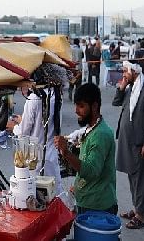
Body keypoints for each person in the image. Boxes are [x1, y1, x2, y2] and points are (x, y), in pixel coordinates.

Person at [54, 83, 117, 216]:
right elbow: (86, 161)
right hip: (87, 200)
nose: (76, 110)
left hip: (97, 207)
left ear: (94, 106)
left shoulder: (100, 134)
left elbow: (90, 171)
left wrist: (66, 152)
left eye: (81, 106)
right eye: (76, 105)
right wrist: (77, 186)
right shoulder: (91, 128)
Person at [113, 61, 144, 230]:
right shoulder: (131, 89)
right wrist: (122, 86)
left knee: (141, 180)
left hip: (140, 144)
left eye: (125, 72)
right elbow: (116, 102)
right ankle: (136, 208)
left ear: (134, 72)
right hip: (128, 142)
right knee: (133, 177)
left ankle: (140, 216)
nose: (123, 74)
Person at [13, 64, 66, 195]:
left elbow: (23, 132)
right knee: (54, 194)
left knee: (36, 196)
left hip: (36, 158)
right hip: (52, 155)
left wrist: (14, 127)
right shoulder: (56, 95)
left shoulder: (34, 99)